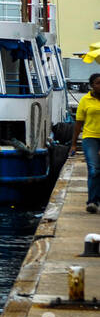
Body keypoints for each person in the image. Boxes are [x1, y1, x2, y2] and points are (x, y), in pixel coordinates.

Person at [70, 72, 100, 213]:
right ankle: (92, 201)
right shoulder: (85, 100)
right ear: (92, 85)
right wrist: (74, 144)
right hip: (90, 137)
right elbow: (78, 124)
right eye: (98, 83)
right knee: (94, 170)